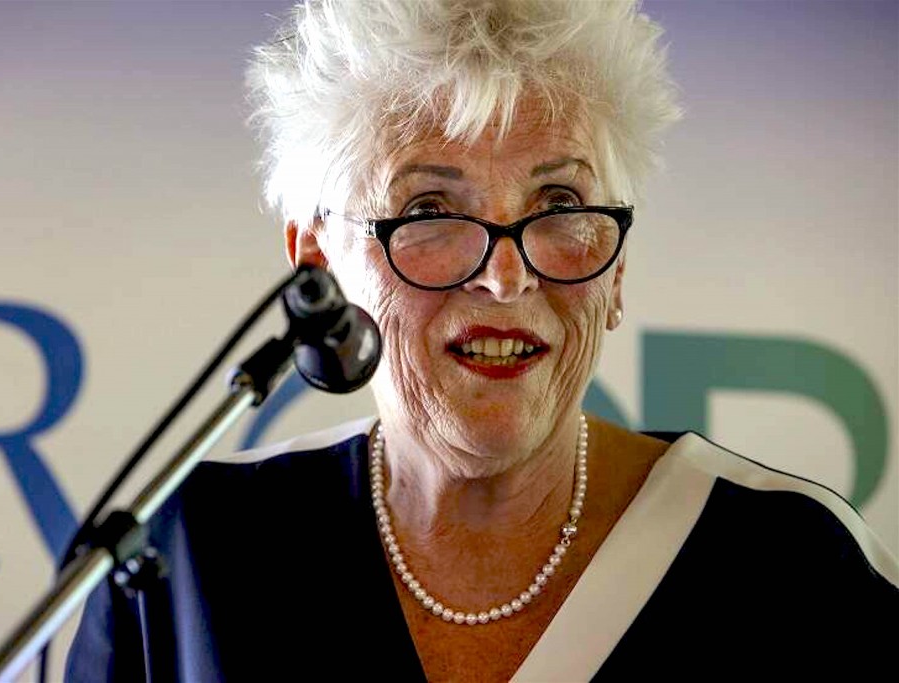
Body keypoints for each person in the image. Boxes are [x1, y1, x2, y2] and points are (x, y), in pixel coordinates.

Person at [66, 1, 899, 680]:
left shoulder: (795, 566)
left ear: (616, 268)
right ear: (317, 263)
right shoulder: (185, 556)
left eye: (560, 204)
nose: (505, 276)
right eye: (429, 210)